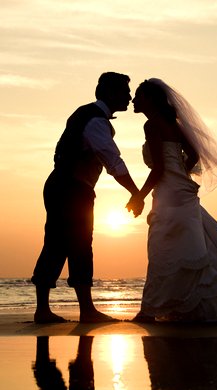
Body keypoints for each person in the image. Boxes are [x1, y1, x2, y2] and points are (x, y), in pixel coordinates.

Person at [127, 78, 217, 323]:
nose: (134, 100)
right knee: (189, 245)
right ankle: (185, 306)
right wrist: (181, 174)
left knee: (162, 246)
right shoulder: (174, 125)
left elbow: (159, 169)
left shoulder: (151, 125)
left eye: (139, 96)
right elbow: (194, 154)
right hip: (182, 190)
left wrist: (138, 197)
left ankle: (150, 310)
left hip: (168, 192)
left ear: (150, 99)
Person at [32, 72, 143, 323]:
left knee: (56, 243)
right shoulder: (96, 121)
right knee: (79, 244)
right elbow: (113, 160)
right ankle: (87, 311)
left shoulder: (85, 114)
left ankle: (43, 310)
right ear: (111, 93)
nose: (129, 97)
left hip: (61, 185)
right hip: (72, 189)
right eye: (125, 92)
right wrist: (135, 193)